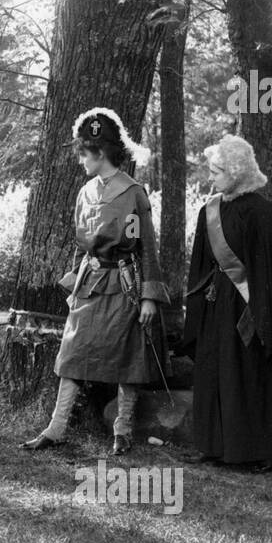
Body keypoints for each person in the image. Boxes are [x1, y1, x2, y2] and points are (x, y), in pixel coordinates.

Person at [21, 108, 168, 455]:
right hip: (89, 285)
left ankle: (123, 429)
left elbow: (147, 248)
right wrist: (73, 288)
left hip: (125, 286)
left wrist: (148, 298)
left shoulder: (133, 194)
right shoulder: (85, 192)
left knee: (126, 359)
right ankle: (56, 429)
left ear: (100, 153)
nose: (80, 160)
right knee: (71, 355)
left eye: (84, 153)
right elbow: (80, 248)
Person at [179, 134, 272, 473]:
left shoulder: (261, 212)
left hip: (252, 307)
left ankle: (261, 449)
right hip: (216, 306)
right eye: (211, 171)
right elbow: (200, 265)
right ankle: (216, 445)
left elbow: (269, 270)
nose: (211, 178)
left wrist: (263, 316)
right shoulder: (207, 211)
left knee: (250, 373)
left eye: (217, 171)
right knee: (214, 371)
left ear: (236, 172)